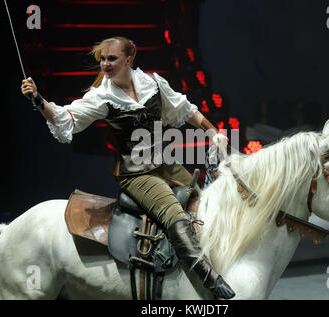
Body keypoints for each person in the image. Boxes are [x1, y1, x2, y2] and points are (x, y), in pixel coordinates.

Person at [21, 36, 235, 299]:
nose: (105, 64)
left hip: (168, 164)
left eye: (112, 58)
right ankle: (208, 278)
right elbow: (65, 119)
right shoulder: (102, 97)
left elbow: (185, 109)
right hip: (138, 175)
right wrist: (39, 100)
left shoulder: (153, 83)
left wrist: (213, 131)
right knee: (174, 216)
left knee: (202, 208)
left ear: (129, 60)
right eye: (102, 59)